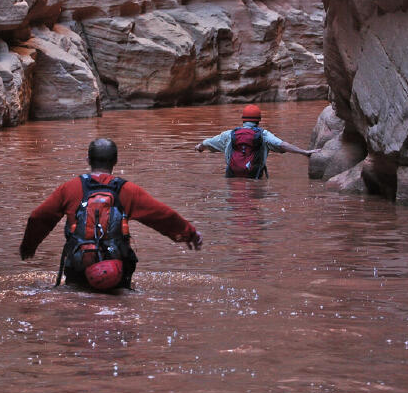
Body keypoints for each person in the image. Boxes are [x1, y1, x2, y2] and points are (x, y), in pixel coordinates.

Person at [19, 138, 202, 289]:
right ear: (115, 162)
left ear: (88, 160)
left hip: (79, 268)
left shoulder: (70, 188)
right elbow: (162, 216)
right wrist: (189, 234)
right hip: (116, 270)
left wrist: (28, 247)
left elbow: (38, 217)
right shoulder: (128, 190)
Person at [194, 104, 317, 178]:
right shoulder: (264, 135)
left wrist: (199, 147)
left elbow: (208, 143)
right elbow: (282, 145)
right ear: (259, 121)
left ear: (243, 120)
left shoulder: (229, 135)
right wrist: (304, 152)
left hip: (231, 178)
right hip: (255, 177)